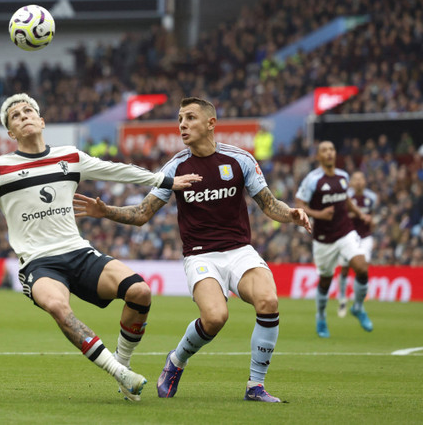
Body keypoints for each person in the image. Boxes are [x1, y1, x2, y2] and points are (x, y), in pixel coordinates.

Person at [0, 93, 201, 401]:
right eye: (16, 117)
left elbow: (116, 170)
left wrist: (166, 181)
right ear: (11, 132)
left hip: (77, 251)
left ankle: (124, 360)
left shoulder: (70, 157)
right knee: (59, 308)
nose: (23, 118)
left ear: (41, 120)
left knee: (141, 292)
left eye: (28, 112)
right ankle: (118, 372)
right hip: (38, 263)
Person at [74, 97, 311, 402]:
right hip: (200, 255)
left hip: (240, 250)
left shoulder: (239, 159)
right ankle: (176, 361)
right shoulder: (176, 167)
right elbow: (143, 214)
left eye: (189, 118)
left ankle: (256, 386)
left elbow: (269, 205)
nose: (182, 125)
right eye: (179, 119)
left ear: (211, 123)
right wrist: (106, 211)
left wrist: (290, 214)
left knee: (268, 300)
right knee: (215, 318)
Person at [295, 141, 373, 338]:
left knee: (362, 268)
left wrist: (360, 213)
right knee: (325, 281)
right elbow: (299, 204)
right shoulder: (313, 180)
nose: (329, 153)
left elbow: (346, 199)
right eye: (324, 150)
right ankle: (321, 316)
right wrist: (319, 215)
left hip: (346, 231)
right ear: (319, 156)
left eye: (332, 149)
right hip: (323, 239)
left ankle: (357, 307)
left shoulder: (343, 176)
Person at [337, 171, 377, 317]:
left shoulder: (371, 198)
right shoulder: (347, 198)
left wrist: (371, 222)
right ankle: (342, 298)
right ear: (351, 183)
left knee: (362, 267)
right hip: (349, 236)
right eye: (356, 179)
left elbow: (373, 219)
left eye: (361, 179)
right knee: (345, 269)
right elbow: (341, 216)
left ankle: (358, 301)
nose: (359, 182)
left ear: (365, 181)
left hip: (365, 237)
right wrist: (356, 214)